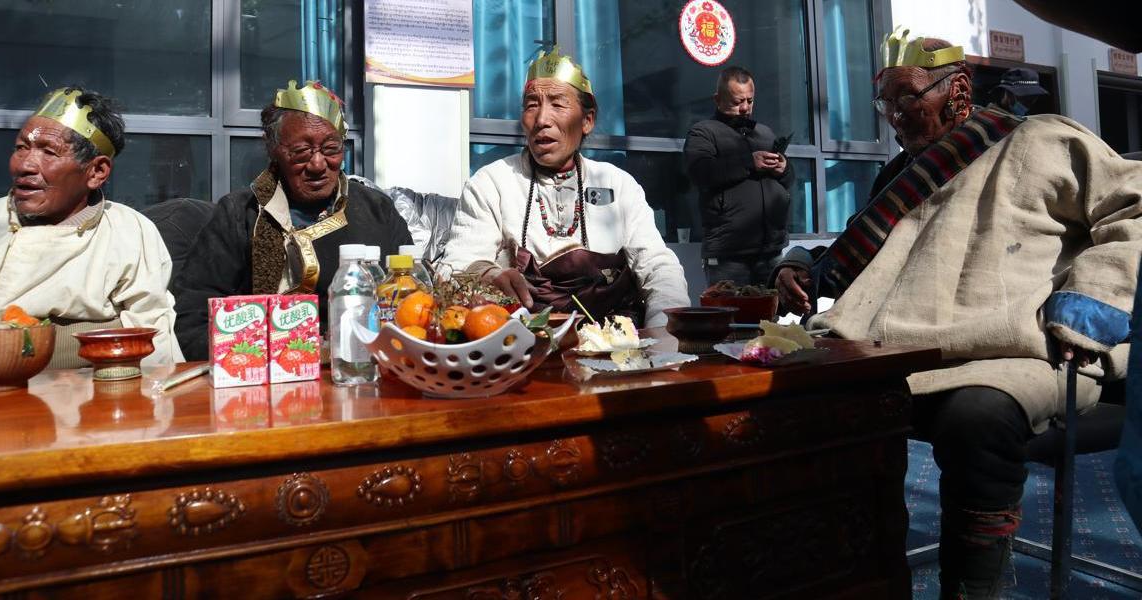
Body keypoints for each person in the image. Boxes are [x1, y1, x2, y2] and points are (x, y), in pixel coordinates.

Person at [773, 28, 1141, 598]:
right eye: (886, 101)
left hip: (1013, 349)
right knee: (801, 404)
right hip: (897, 350)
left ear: (959, 89)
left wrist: (1091, 300)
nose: (895, 115)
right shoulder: (899, 177)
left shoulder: (1042, 139)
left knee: (977, 418)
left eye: (907, 96)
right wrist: (798, 264)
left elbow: (1133, 207)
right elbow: (858, 256)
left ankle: (972, 588)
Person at [443, 49, 688, 327]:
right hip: (524, 342)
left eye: (558, 104)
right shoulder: (491, 184)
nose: (541, 120)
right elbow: (456, 268)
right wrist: (488, 274)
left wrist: (664, 331)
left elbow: (658, 267)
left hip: (617, 342)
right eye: (532, 105)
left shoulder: (618, 185)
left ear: (587, 120)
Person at [0, 86, 182, 367]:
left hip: (102, 386)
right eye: (21, 148)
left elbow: (153, 339)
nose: (25, 165)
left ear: (96, 172)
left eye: (49, 152)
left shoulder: (130, 231)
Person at [173, 80, 412, 360]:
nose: (318, 164)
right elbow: (192, 321)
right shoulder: (239, 215)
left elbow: (414, 302)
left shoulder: (377, 210)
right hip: (261, 370)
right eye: (301, 152)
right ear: (273, 149)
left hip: (360, 366)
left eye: (331, 149)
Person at [684, 67, 795, 288]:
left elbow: (789, 180)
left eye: (750, 101)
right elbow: (700, 173)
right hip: (729, 255)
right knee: (730, 309)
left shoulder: (765, 133)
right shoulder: (703, 132)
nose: (745, 108)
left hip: (771, 250)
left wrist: (784, 168)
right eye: (737, 102)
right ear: (717, 100)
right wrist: (748, 162)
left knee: (772, 310)